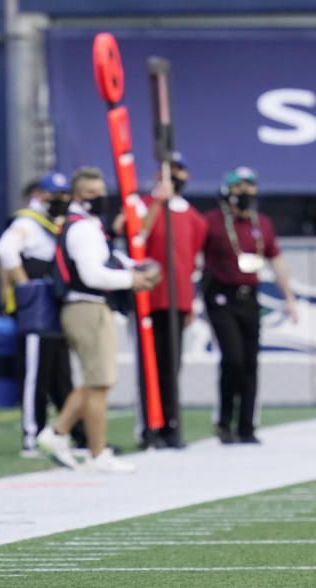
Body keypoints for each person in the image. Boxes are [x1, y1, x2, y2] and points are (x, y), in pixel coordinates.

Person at [35, 167, 161, 472]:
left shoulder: (88, 225)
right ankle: (94, 451)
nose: (100, 197)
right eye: (92, 193)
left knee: (97, 382)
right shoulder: (81, 228)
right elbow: (92, 274)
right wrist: (132, 279)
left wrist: (138, 266)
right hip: (86, 307)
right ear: (77, 197)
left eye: (101, 191)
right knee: (99, 382)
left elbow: (108, 261)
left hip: (89, 307)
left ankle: (59, 433)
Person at [116, 152, 207, 449]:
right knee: (149, 367)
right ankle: (149, 427)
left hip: (177, 300)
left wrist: (191, 301)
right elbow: (132, 232)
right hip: (148, 299)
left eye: (179, 171)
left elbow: (190, 263)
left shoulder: (194, 218)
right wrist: (157, 201)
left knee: (172, 366)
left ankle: (171, 424)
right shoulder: (143, 205)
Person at [202, 167, 297, 445]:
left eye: (249, 186)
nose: (245, 192)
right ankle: (224, 421)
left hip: (249, 296)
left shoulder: (262, 223)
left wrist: (288, 297)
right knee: (232, 358)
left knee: (250, 362)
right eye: (239, 186)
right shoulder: (213, 221)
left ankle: (246, 425)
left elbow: (276, 260)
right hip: (221, 295)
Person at [0, 171, 88, 456]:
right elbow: (5, 250)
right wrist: (24, 286)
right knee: (35, 372)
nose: (59, 200)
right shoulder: (28, 221)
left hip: (57, 301)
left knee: (61, 372)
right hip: (38, 304)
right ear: (41, 195)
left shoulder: (61, 223)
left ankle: (74, 434)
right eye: (54, 195)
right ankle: (31, 436)